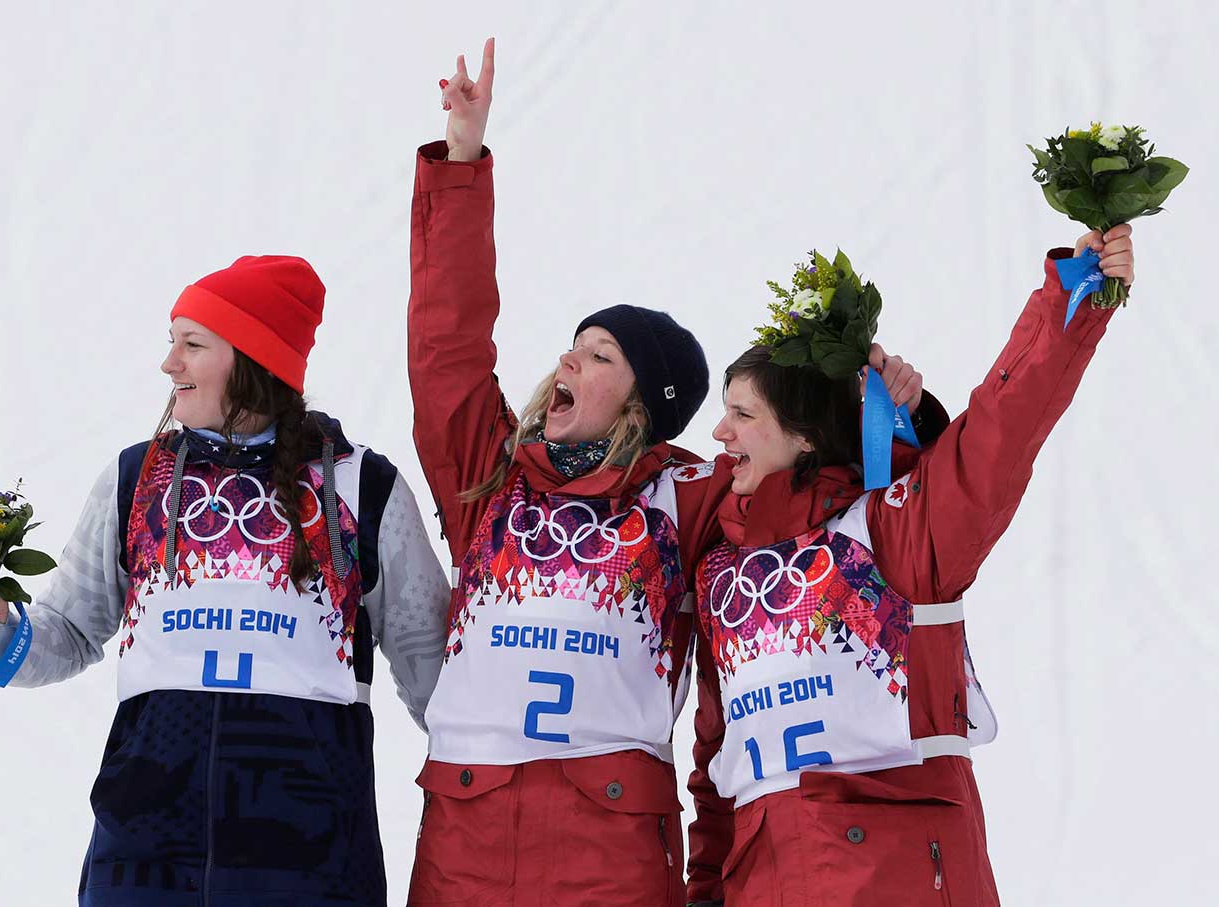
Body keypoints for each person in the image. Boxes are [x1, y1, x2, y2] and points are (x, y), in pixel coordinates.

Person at [405, 39, 938, 906]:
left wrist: (881, 413)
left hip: (608, 846)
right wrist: (462, 162)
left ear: (641, 404)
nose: (570, 362)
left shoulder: (686, 496)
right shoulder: (491, 478)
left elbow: (800, 494)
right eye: (574, 345)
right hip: (465, 836)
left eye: (600, 352)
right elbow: (446, 352)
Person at [0, 255, 450, 907]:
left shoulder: (360, 488)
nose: (169, 363)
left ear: (251, 359)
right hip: (142, 867)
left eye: (193, 343)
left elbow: (437, 677)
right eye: (171, 341)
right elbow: (68, 629)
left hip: (311, 874)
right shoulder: (137, 479)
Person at [686, 227, 1134, 905]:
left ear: (803, 434)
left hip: (896, 877)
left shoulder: (893, 532)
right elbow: (717, 758)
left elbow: (1000, 431)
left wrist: (1071, 297)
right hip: (764, 882)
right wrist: (706, 889)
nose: (720, 433)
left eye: (742, 414)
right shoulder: (723, 574)